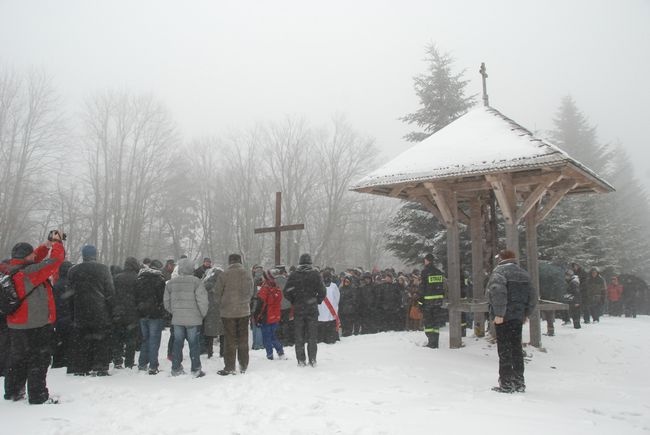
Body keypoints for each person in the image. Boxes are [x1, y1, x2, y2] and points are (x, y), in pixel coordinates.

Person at [2, 232, 65, 404]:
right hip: (35, 323)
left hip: (15, 324)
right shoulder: (30, 273)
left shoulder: (8, 268)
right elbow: (56, 261)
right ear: (25, 257)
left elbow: (34, 257)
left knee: (17, 359)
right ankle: (38, 396)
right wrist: (57, 243)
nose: (34, 256)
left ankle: (13, 391)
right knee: (39, 358)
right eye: (31, 254)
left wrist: (46, 246)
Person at [486, 249, 536, 393]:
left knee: (504, 349)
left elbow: (498, 293)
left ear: (501, 259)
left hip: (504, 317)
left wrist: (499, 313)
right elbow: (532, 296)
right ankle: (519, 382)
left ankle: (506, 383)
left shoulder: (499, 273)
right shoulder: (524, 273)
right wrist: (526, 313)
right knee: (516, 349)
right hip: (517, 317)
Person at [67, 245, 115, 377]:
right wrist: (111, 309)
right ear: (95, 255)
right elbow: (110, 291)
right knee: (101, 340)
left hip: (80, 311)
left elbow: (69, 294)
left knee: (82, 341)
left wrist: (72, 312)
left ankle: (81, 367)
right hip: (100, 311)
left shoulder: (73, 270)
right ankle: (100, 366)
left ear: (83, 255)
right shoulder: (103, 269)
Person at [164, 258, 209, 378]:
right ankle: (196, 369)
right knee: (194, 344)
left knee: (177, 343)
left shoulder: (171, 283)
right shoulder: (196, 282)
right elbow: (202, 300)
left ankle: (176, 368)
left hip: (177, 319)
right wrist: (202, 314)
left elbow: (166, 302)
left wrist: (174, 312)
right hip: (193, 319)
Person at [283, 253, 326, 367]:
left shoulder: (294, 275)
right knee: (312, 336)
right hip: (311, 309)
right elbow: (323, 291)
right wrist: (316, 300)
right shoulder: (315, 275)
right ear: (310, 263)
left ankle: (301, 360)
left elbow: (286, 292)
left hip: (299, 309)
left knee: (299, 336)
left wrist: (294, 300)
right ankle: (312, 359)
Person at [215, 254, 254, 375]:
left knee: (230, 340)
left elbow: (217, 293)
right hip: (243, 311)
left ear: (229, 262)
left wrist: (223, 304)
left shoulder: (224, 275)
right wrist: (244, 302)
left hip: (228, 313)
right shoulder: (247, 274)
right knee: (243, 338)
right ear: (240, 261)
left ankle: (230, 367)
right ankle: (243, 365)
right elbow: (251, 292)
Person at [134, 259, 167, 374]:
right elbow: (162, 298)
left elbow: (136, 296)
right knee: (154, 340)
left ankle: (142, 364)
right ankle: (153, 366)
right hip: (155, 314)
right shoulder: (159, 280)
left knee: (145, 339)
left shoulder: (140, 278)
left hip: (142, 313)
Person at [111, 257, 140, 369]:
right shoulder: (137, 278)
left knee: (117, 337)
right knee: (131, 339)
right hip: (132, 313)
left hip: (118, 312)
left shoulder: (116, 278)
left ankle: (117, 360)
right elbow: (139, 296)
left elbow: (112, 294)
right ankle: (129, 362)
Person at [253, 270, 286, 360]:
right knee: (273, 335)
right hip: (275, 316)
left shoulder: (265, 288)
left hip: (266, 316)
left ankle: (270, 355)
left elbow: (261, 304)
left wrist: (256, 316)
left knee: (267, 337)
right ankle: (280, 352)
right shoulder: (277, 288)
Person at [419, 254, 446, 349]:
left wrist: (420, 302)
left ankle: (431, 342)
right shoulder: (439, 272)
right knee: (436, 323)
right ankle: (435, 342)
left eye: (425, 260)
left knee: (429, 323)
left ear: (427, 260)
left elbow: (422, 288)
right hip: (438, 302)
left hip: (428, 302)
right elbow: (442, 287)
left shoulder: (425, 272)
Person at [51, 261, 74, 371]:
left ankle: (58, 362)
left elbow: (53, 301)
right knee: (71, 342)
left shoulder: (56, 284)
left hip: (59, 317)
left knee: (59, 341)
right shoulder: (72, 284)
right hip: (70, 316)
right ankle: (69, 361)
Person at [201, 266, 223, 358]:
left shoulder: (205, 284)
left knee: (209, 334)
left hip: (209, 310)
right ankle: (222, 352)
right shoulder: (223, 284)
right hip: (221, 311)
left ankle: (209, 352)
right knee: (222, 333)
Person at [317, 270, 340, 344]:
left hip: (330, 311)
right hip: (322, 310)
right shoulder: (319, 285)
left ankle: (329, 339)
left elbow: (337, 298)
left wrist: (334, 306)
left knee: (328, 325)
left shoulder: (334, 286)